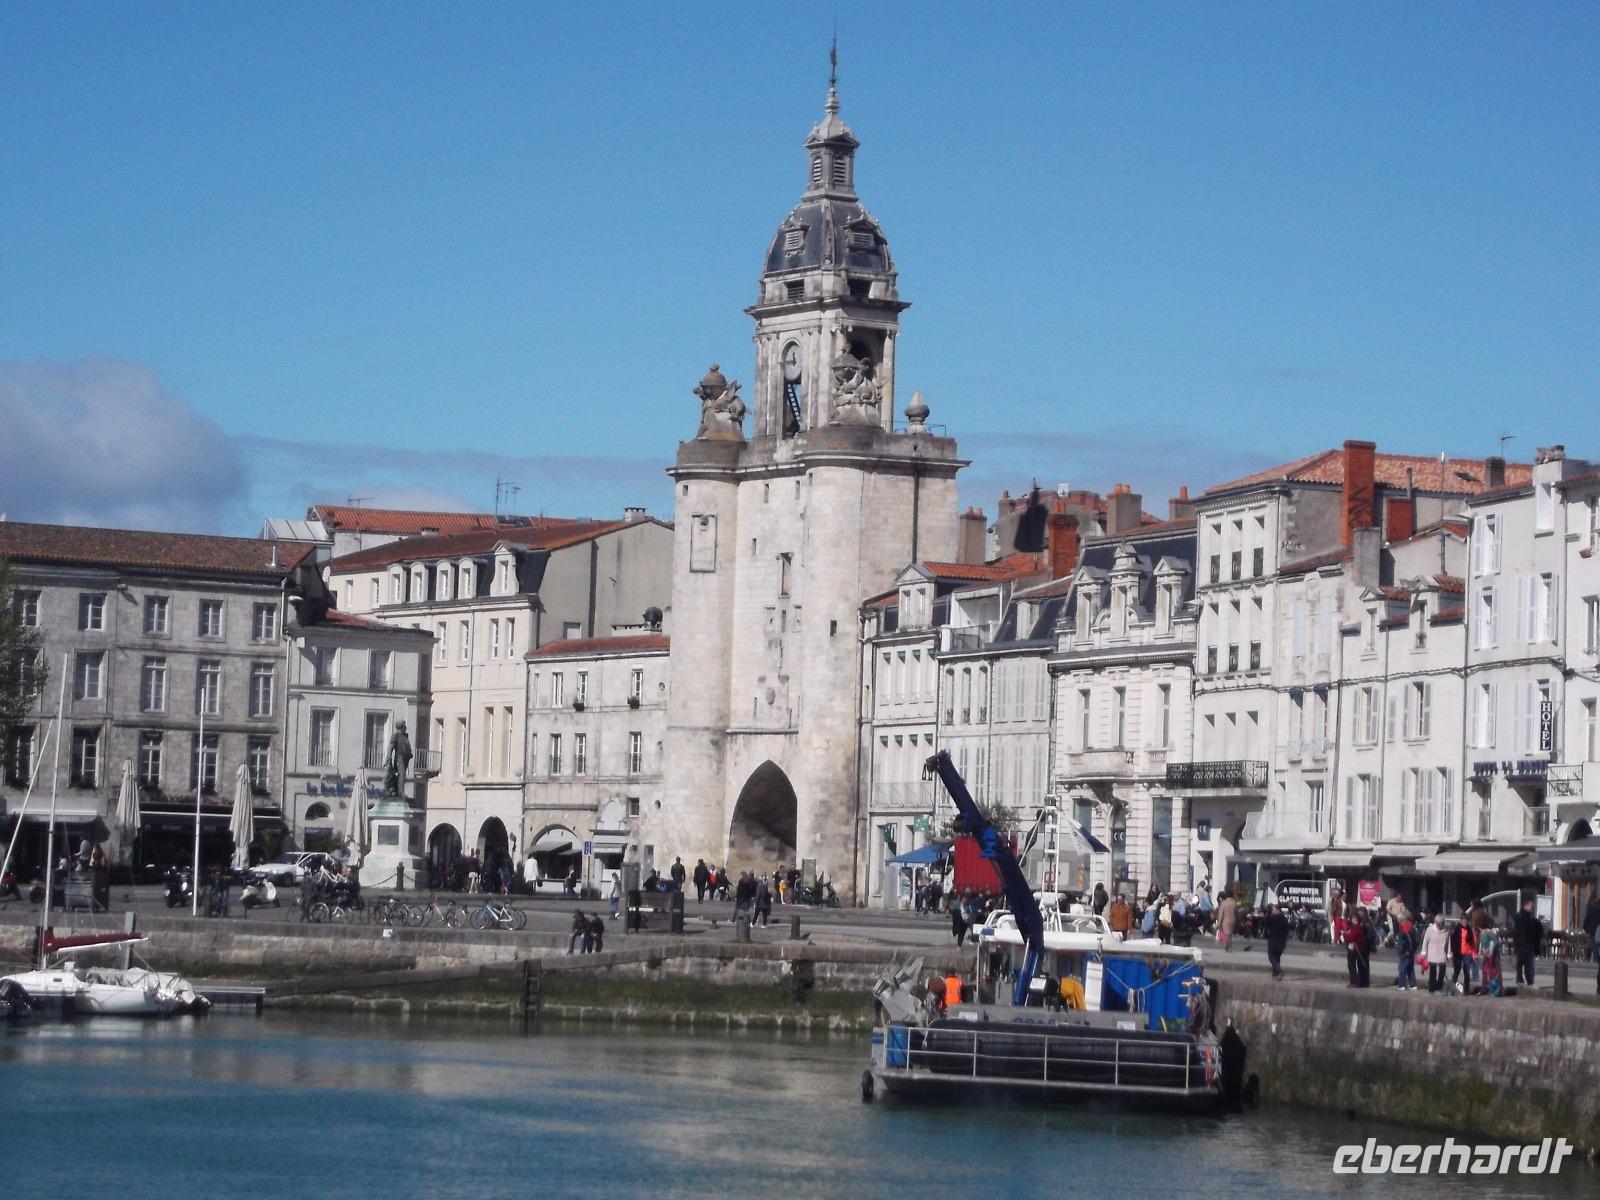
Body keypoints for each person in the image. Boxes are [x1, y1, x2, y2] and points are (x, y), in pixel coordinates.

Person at [1513, 898, 1543, 990]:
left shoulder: (1530, 918)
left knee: (1525, 963)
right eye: (1531, 906)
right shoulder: (1524, 918)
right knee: (1524, 963)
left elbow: (1539, 930)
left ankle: (1525, 980)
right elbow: (1519, 931)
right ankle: (1525, 980)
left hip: (1527, 943)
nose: (1532, 908)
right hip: (1524, 942)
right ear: (1526, 905)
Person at [1420, 915, 1450, 994]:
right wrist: (1424, 952)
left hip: (1442, 954)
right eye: (1439, 923)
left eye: (1442, 923)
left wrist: (1449, 955)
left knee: (1442, 972)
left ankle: (1439, 987)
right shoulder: (1430, 930)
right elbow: (1425, 941)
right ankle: (1432, 988)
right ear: (1436, 923)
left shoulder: (1446, 931)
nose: (1441, 925)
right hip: (1432, 953)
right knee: (1433, 972)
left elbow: (1448, 943)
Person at [1263, 903, 1290, 980]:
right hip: (1282, 941)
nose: (1272, 911)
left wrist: (1267, 914)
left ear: (1277, 909)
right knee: (1277, 957)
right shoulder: (1284, 918)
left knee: (1271, 956)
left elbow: (1265, 923)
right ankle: (1275, 975)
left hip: (1274, 939)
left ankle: (1279, 971)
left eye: (1273, 909)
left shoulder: (1272, 918)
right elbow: (1287, 930)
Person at [1393, 919, 1418, 990]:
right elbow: (1415, 940)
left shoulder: (1404, 928)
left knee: (1402, 968)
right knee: (1410, 968)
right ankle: (1413, 984)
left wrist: (1404, 950)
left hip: (1405, 951)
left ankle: (1401, 985)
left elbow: (1404, 941)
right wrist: (1413, 950)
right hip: (1410, 951)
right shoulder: (1411, 927)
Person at [1217, 888, 1238, 953]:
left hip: (1226, 920)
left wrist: (1219, 922)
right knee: (1229, 934)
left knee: (1227, 934)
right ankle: (1228, 946)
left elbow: (1221, 914)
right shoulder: (1234, 903)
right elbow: (1236, 913)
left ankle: (1229, 947)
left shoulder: (1224, 903)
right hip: (1233, 920)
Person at [1583, 893, 1600, 963]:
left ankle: (1594, 958)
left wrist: (1584, 927)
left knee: (1593, 944)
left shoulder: (1591, 907)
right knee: (1595, 944)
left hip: (1592, 930)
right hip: (1598, 929)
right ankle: (1591, 956)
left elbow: (1587, 918)